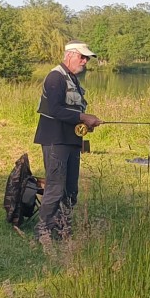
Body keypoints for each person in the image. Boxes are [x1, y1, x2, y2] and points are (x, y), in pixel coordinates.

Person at [33, 41, 102, 243]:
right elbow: (54, 110)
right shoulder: (55, 77)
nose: (84, 61)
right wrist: (83, 117)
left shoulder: (72, 79)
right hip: (55, 141)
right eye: (82, 57)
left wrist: (85, 123)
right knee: (55, 187)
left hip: (71, 140)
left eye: (87, 58)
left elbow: (71, 111)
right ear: (70, 55)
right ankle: (43, 232)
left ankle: (63, 230)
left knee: (71, 189)